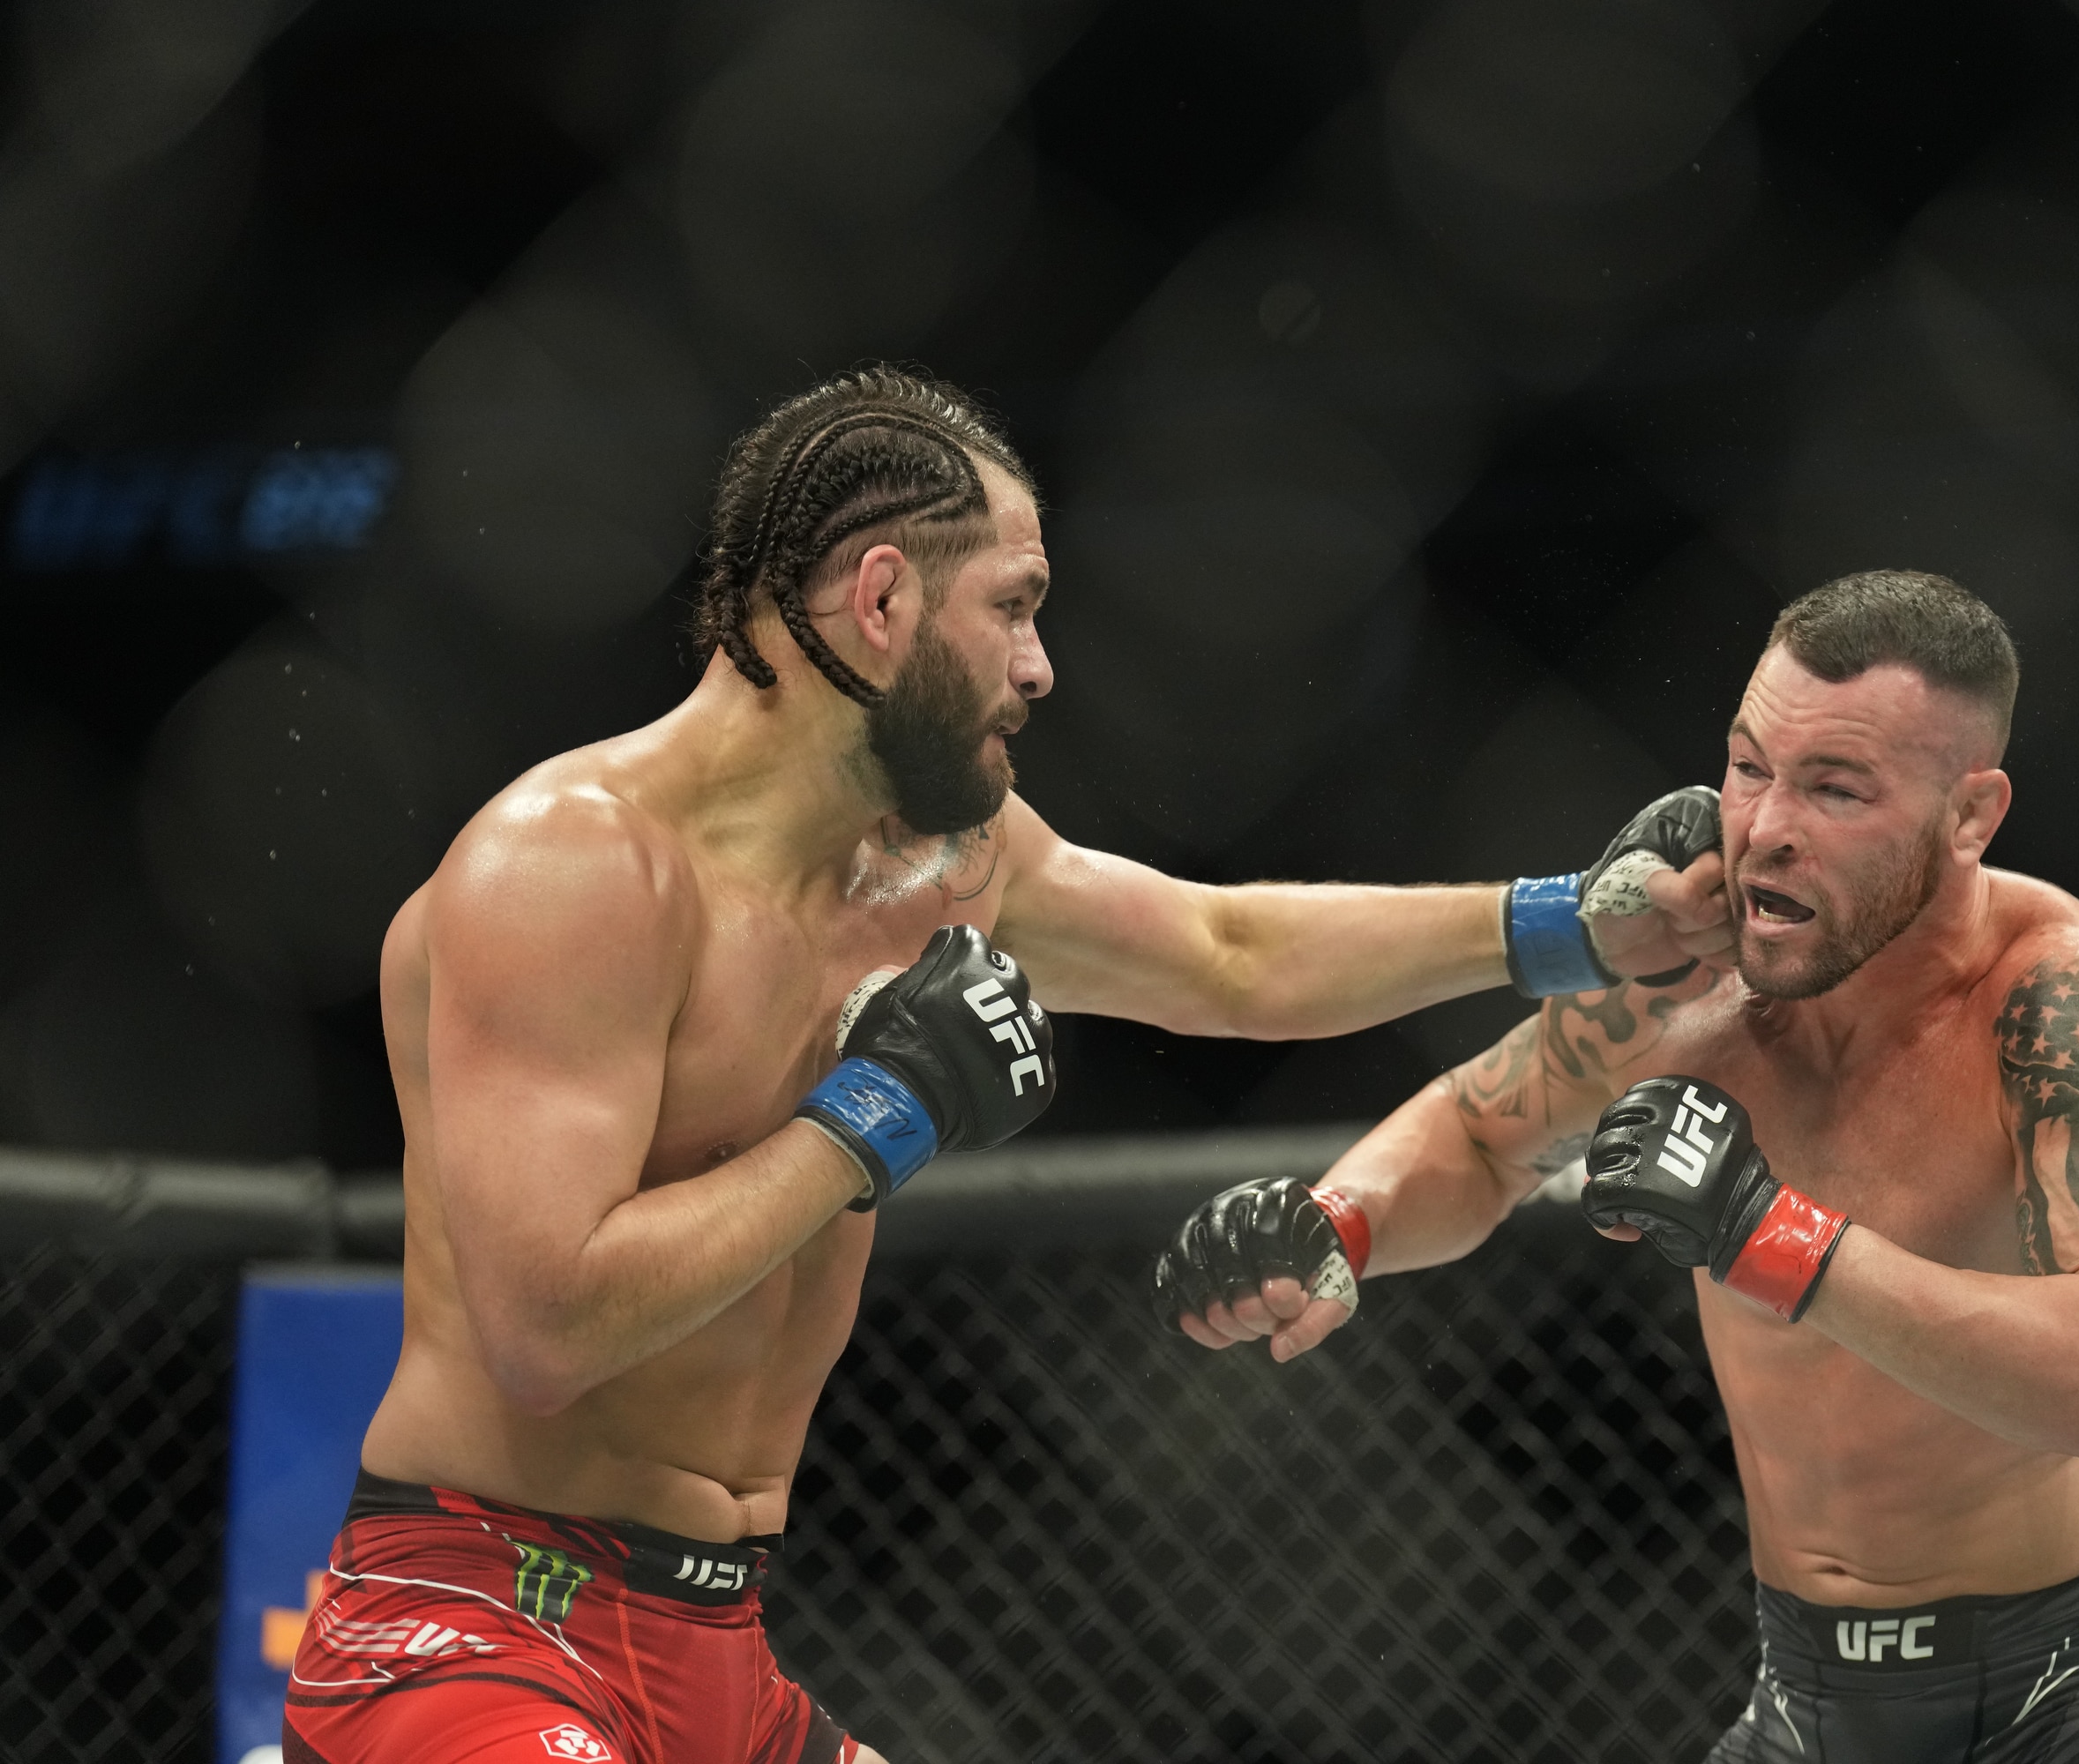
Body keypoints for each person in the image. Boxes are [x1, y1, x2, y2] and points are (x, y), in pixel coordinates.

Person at [281, 365, 1731, 1764]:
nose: (1042, 667)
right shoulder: (577, 872)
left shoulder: (941, 865)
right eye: (1016, 609)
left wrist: (1573, 927)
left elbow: (1228, 955)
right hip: (474, 1626)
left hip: (719, 1649)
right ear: (885, 599)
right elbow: (545, 1334)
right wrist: (873, 1116)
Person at [1155, 572, 2079, 1763]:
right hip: (1810, 1698)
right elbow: (1478, 1132)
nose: (1766, 826)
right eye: (1748, 766)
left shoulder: (2068, 999)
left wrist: (1774, 1238)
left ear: (1969, 815)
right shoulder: (1692, 969)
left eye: (1834, 789)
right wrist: (1336, 1226)